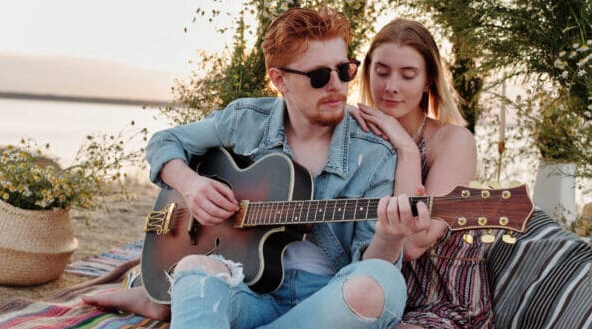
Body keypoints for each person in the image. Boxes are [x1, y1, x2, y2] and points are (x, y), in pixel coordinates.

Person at [84, 8, 434, 329]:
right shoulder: (246, 120)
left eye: (344, 71)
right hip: (248, 290)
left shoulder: (373, 153)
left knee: (379, 282)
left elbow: (367, 260)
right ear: (279, 79)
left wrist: (390, 237)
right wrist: (191, 185)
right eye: (318, 76)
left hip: (328, 300)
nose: (337, 86)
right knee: (191, 269)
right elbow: (165, 142)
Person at [351, 18, 493, 328]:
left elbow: (415, 242)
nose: (391, 86)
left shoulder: (454, 141)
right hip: (373, 298)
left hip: (442, 306)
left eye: (408, 75)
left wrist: (406, 148)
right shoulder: (357, 139)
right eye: (382, 71)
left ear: (428, 80)